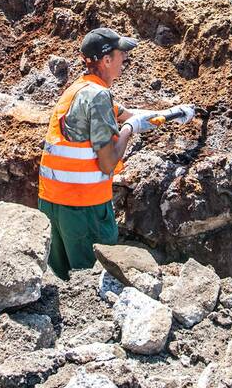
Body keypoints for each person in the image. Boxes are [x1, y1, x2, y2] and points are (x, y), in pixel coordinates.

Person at [38, 28, 192, 279]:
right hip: (82, 207)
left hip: (52, 202)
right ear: (106, 60)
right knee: (90, 282)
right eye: (122, 55)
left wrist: (175, 112)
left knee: (63, 280)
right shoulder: (98, 96)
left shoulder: (79, 89)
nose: (125, 60)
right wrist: (129, 130)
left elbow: (127, 113)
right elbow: (108, 162)